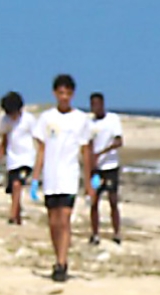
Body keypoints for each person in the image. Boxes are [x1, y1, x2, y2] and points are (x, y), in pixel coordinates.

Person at [31, 74, 93, 282]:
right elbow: (41, 149)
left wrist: (89, 181)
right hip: (50, 177)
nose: (64, 96)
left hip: (69, 176)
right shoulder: (47, 118)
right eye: (60, 93)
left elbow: (85, 151)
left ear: (72, 94)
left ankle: (62, 262)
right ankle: (56, 255)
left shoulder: (81, 119)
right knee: (53, 221)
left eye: (67, 93)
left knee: (65, 219)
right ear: (55, 93)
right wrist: (35, 177)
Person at [87, 92, 123, 245]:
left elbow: (119, 141)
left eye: (98, 104)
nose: (95, 107)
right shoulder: (89, 124)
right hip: (96, 169)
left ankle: (117, 233)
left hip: (110, 167)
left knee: (112, 200)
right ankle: (95, 234)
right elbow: (88, 144)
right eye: (93, 104)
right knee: (94, 201)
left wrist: (101, 153)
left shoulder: (113, 119)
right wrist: (90, 162)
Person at [0, 92, 36, 225]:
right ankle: (18, 217)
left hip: (27, 159)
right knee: (13, 189)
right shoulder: (5, 121)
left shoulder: (29, 119)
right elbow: (4, 141)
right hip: (12, 160)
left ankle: (12, 216)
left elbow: (37, 138)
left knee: (17, 185)